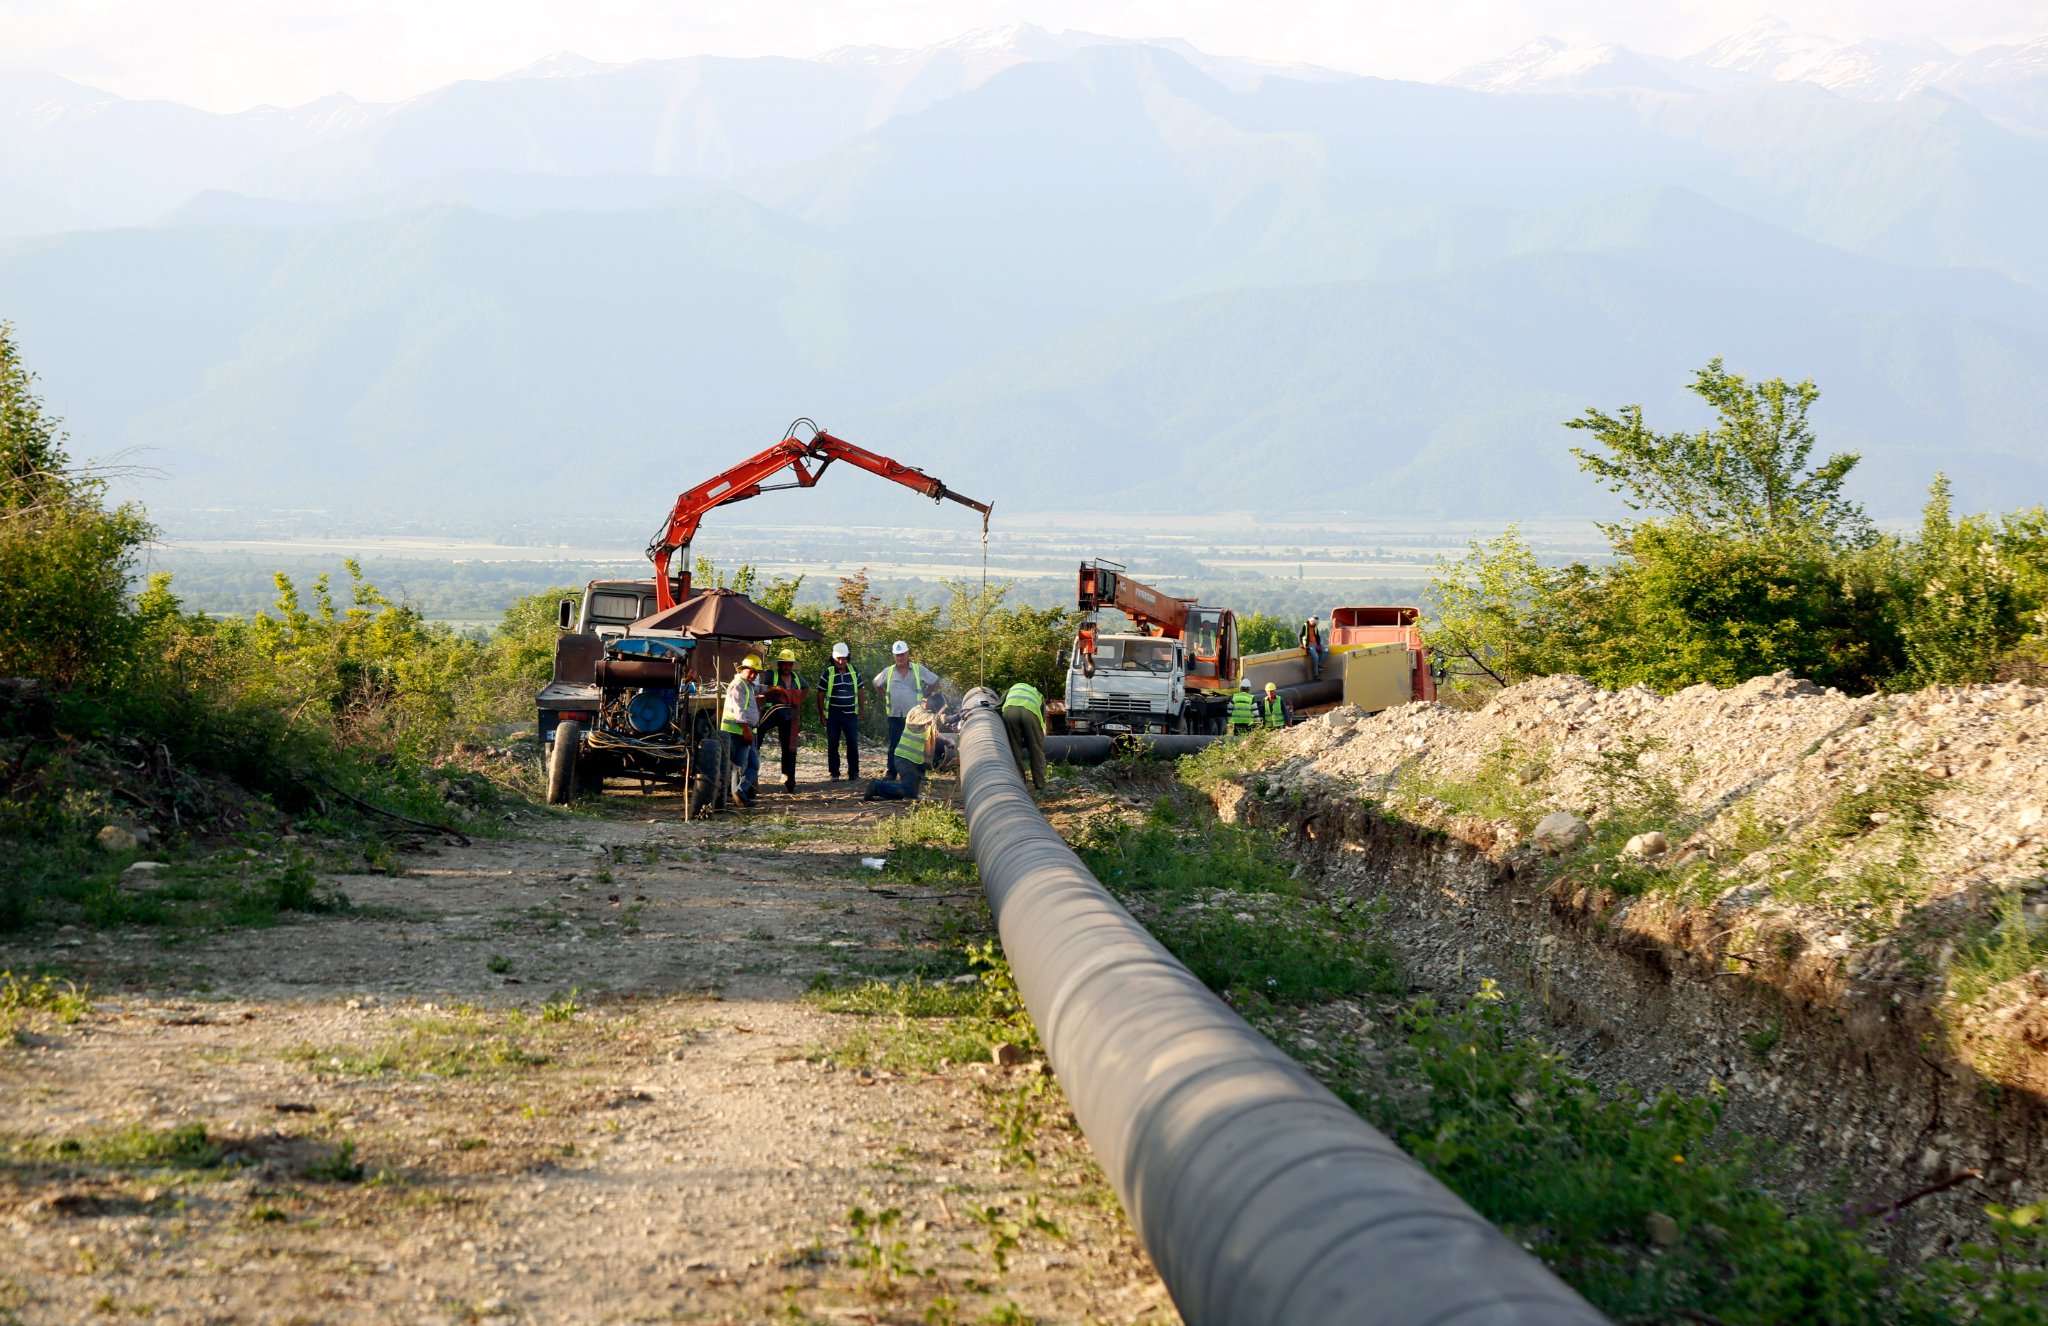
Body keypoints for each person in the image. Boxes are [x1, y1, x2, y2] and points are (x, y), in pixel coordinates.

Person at [872, 640, 939, 779]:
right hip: (895, 714)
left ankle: (918, 773)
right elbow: (876, 683)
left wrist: (926, 695)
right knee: (894, 744)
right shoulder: (889, 671)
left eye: (902, 654)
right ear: (893, 656)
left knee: (917, 744)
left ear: (907, 654)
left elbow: (934, 680)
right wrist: (884, 694)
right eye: (897, 655)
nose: (900, 657)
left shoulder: (917, 669)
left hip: (915, 717)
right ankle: (891, 772)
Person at [862, 698, 940, 801]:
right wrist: (953, 717)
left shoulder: (926, 716)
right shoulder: (917, 712)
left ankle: (879, 786)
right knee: (909, 792)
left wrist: (947, 740)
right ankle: (877, 786)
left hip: (913, 760)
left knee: (911, 791)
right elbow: (935, 718)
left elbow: (933, 733)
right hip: (905, 759)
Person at [721, 653, 764, 807]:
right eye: (751, 671)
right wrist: (746, 730)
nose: (753, 675)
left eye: (756, 673)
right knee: (740, 766)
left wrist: (774, 689)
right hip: (737, 731)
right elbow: (739, 710)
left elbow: (759, 688)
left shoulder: (747, 685)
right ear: (742, 669)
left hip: (745, 730)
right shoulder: (738, 685)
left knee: (753, 765)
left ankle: (740, 792)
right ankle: (738, 794)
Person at [817, 641, 862, 781]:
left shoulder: (854, 671)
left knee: (852, 742)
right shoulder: (828, 672)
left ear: (848, 658)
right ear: (833, 658)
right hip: (833, 715)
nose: (841, 661)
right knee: (833, 742)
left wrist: (861, 710)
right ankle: (834, 773)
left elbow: (861, 690)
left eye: (844, 658)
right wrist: (821, 714)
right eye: (838, 659)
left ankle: (854, 772)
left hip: (850, 714)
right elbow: (820, 693)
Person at [763, 648, 807, 793]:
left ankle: (788, 776)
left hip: (789, 714)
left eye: (789, 664)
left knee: (789, 745)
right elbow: (761, 688)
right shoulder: (771, 675)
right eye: (784, 664)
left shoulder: (796, 677)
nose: (787, 667)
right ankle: (750, 778)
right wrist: (773, 691)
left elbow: (806, 688)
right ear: (779, 664)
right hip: (771, 712)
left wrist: (798, 700)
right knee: (757, 737)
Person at [1001, 680, 1046, 793]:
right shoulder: (1038, 695)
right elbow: (1041, 720)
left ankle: (1020, 781)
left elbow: (997, 707)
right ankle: (1040, 784)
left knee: (1015, 749)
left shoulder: (1011, 689)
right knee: (1036, 750)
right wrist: (1034, 740)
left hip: (1010, 713)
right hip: (1030, 713)